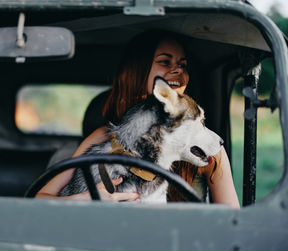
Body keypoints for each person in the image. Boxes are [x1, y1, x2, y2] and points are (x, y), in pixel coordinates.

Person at [35, 30, 240, 209]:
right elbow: (39, 199)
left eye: (183, 65)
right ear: (138, 71)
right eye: (164, 61)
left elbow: (233, 222)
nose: (178, 70)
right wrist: (86, 200)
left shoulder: (208, 148)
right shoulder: (103, 138)